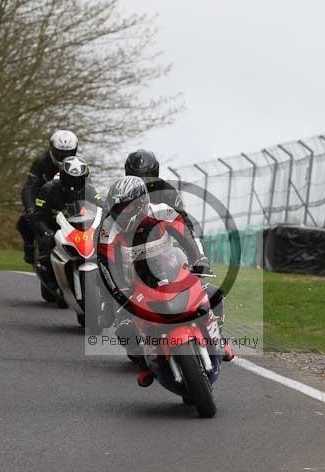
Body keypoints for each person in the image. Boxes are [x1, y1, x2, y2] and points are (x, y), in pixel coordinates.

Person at [97, 176, 233, 387]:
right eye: (117, 208)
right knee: (124, 327)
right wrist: (118, 292)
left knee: (214, 294)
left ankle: (219, 341)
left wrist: (199, 259)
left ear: (140, 203)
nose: (121, 213)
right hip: (133, 284)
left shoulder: (161, 211)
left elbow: (186, 235)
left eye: (126, 207)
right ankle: (145, 365)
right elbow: (106, 265)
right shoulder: (108, 229)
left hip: (172, 270)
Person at [31, 155, 103, 288]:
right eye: (71, 179)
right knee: (46, 242)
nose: (74, 183)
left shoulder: (89, 189)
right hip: (54, 226)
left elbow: (101, 206)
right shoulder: (48, 189)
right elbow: (38, 216)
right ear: (63, 177)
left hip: (79, 227)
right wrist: (46, 231)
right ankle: (48, 277)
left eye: (78, 180)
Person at [17, 130, 79, 263]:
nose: (64, 156)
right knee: (24, 221)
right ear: (51, 148)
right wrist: (30, 209)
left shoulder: (77, 165)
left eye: (68, 153)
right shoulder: (41, 162)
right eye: (60, 152)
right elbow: (28, 187)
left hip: (67, 202)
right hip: (43, 201)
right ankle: (29, 247)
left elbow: (87, 187)